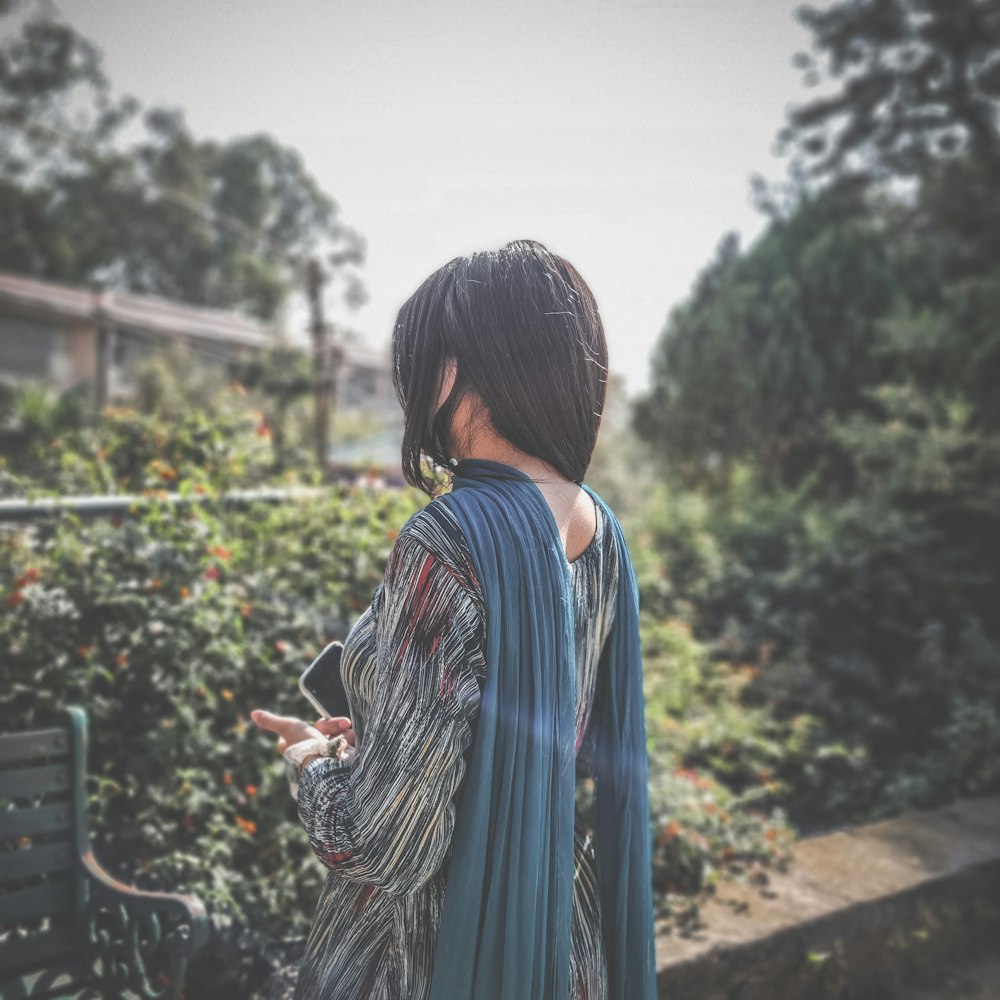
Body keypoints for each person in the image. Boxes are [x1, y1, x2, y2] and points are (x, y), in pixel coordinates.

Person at [251, 239, 657, 1000]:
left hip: (435, 957)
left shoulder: (448, 540)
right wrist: (383, 734)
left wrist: (314, 763)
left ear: (455, 372)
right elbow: (562, 749)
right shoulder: (599, 530)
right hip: (555, 945)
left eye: (417, 367)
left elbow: (385, 847)